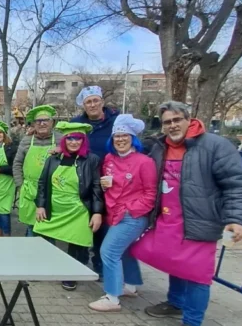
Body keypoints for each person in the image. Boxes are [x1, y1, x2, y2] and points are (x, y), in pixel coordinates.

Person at [130, 101, 242, 326]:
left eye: (177, 120)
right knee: (172, 262)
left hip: (199, 222)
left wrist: (237, 219)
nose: (172, 125)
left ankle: (192, 325)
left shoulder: (215, 146)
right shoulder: (160, 146)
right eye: (167, 122)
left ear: (189, 119)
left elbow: (236, 184)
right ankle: (175, 302)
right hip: (166, 219)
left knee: (197, 274)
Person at [88, 115, 157, 312]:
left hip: (131, 216)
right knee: (124, 250)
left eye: (124, 136)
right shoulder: (109, 159)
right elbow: (107, 182)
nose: (120, 139)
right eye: (117, 136)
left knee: (108, 252)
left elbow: (151, 194)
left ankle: (112, 297)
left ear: (133, 138)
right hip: (113, 212)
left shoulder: (144, 162)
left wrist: (131, 209)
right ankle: (130, 286)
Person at [35, 122, 103, 291]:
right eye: (70, 138)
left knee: (76, 243)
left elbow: (96, 187)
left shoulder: (91, 159)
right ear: (64, 140)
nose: (73, 142)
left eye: (78, 139)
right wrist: (40, 205)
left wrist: (96, 212)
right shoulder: (53, 159)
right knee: (41, 235)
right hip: (54, 208)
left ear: (83, 140)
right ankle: (48, 266)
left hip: (78, 210)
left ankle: (71, 274)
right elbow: (43, 183)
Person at [72, 85, 120, 277]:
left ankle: (100, 264)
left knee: (103, 224)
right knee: (81, 223)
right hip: (82, 181)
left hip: (108, 182)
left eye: (95, 100)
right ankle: (79, 262)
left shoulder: (115, 122)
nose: (92, 105)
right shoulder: (77, 123)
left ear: (102, 101)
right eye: (88, 102)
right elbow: (67, 143)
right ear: (83, 105)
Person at [13, 105, 61, 236]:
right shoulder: (27, 140)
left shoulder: (60, 139)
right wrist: (20, 185)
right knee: (32, 226)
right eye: (38, 121)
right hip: (30, 190)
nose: (42, 123)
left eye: (46, 120)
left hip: (52, 190)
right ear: (34, 124)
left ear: (52, 122)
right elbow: (17, 163)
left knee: (49, 229)